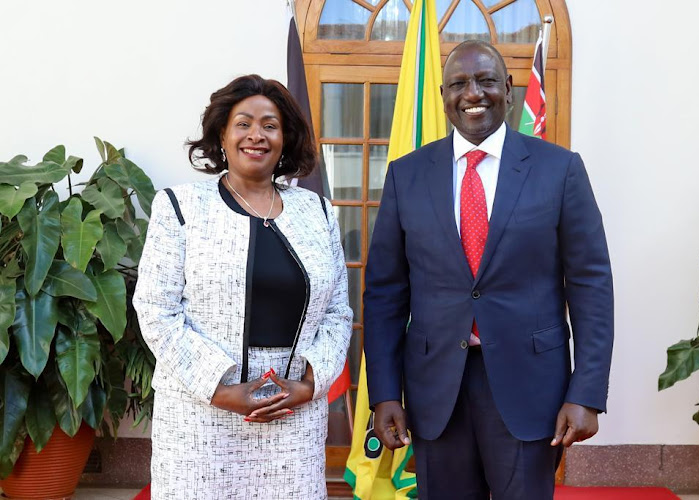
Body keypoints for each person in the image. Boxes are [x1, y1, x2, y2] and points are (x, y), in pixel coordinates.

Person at [363, 40, 614, 499]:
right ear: (443, 96)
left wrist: (586, 392)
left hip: (530, 387)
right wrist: (383, 394)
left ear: (509, 89)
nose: (472, 93)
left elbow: (591, 286)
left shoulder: (560, 170)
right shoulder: (407, 175)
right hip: (437, 387)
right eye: (458, 83)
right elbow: (384, 293)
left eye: (485, 80)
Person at [133, 74, 352, 499]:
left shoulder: (319, 213)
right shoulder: (181, 207)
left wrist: (307, 385)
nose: (257, 135)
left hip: (293, 417)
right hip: (201, 418)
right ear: (222, 134)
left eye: (270, 125)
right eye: (244, 123)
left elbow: (337, 312)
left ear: (285, 138)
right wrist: (223, 390)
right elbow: (156, 309)